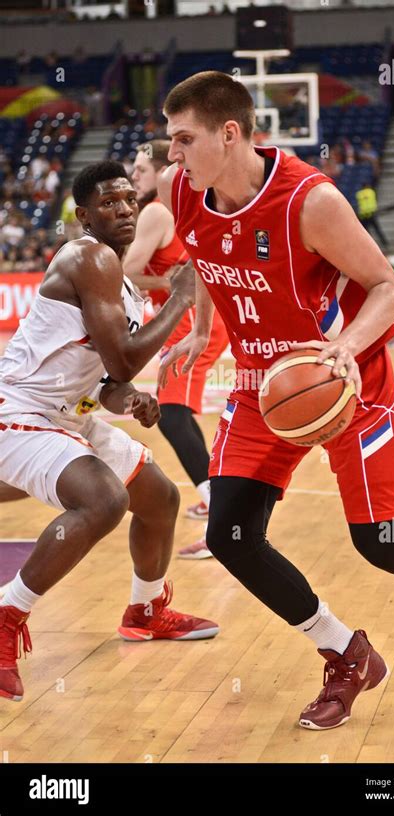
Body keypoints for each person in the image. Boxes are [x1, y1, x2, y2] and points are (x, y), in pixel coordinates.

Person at [157, 71, 394, 731]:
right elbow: (208, 265)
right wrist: (203, 335)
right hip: (261, 390)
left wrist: (347, 349)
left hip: (344, 384)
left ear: (231, 132)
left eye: (184, 139)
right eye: (169, 141)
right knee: (231, 536)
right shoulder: (178, 192)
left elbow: (388, 287)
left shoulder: (309, 200)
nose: (172, 154)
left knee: (381, 543)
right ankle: (344, 652)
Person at [0, 160, 219, 704]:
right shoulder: (87, 255)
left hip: (67, 411)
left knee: (161, 499)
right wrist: (181, 299)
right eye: (109, 203)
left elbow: (105, 378)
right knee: (104, 500)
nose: (124, 209)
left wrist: (130, 399)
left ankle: (146, 609)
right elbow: (122, 358)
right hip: (20, 410)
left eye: (129, 200)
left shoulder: (121, 283)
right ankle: (7, 614)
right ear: (84, 215)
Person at [124, 141, 229, 559]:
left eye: (141, 169)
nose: (134, 175)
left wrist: (169, 283)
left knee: (171, 414)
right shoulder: (175, 208)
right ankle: (212, 498)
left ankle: (221, 517)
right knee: (178, 411)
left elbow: (128, 271)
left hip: (191, 320)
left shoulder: (154, 211)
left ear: (161, 170)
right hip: (194, 315)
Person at [355, 182, 388, 249]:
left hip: (363, 215)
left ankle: (368, 244)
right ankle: (384, 243)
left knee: (365, 231)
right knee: (377, 229)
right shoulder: (371, 192)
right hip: (371, 213)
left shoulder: (359, 194)